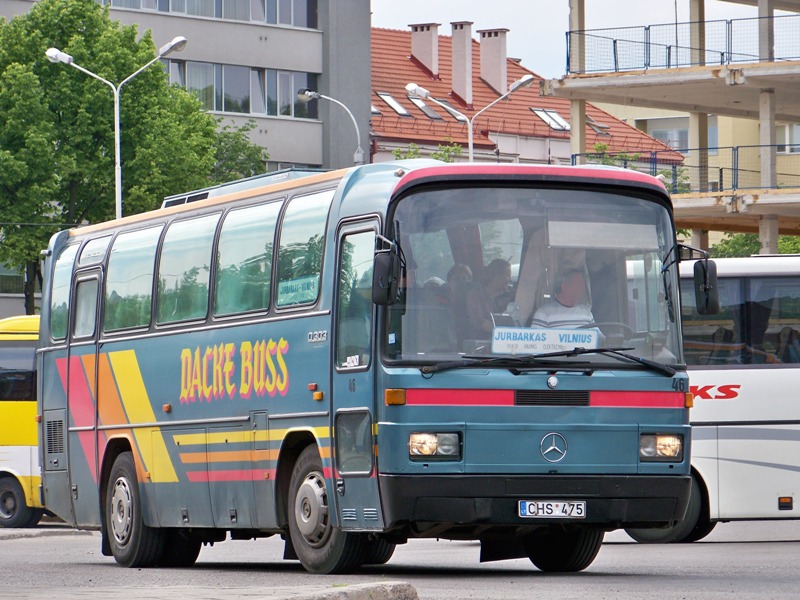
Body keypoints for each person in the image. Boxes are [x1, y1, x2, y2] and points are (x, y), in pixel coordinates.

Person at [463, 259, 511, 340]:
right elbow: (479, 322)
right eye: (507, 276)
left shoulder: (508, 295)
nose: (509, 280)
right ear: (496, 275)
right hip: (482, 344)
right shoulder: (475, 295)